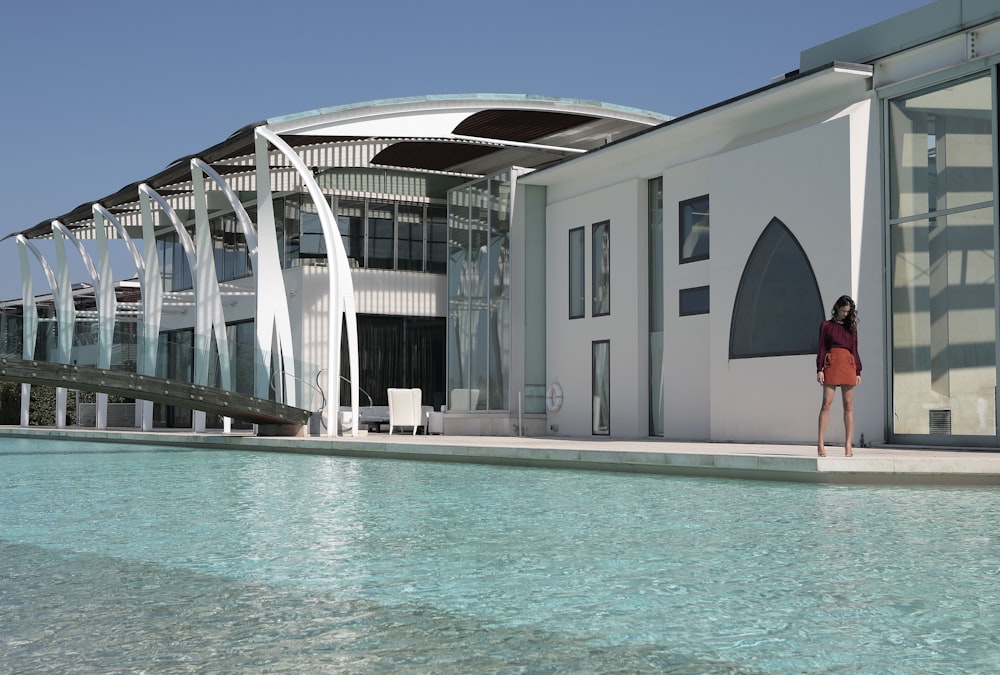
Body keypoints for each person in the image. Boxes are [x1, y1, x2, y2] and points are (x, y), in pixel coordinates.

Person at [816, 295, 861, 457]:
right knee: (826, 404)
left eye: (848, 312)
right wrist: (819, 368)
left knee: (848, 405)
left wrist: (858, 371)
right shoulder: (826, 325)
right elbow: (821, 347)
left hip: (848, 364)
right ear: (836, 308)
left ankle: (848, 444)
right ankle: (820, 443)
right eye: (843, 311)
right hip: (831, 363)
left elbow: (855, 350)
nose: (845, 314)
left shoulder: (851, 328)